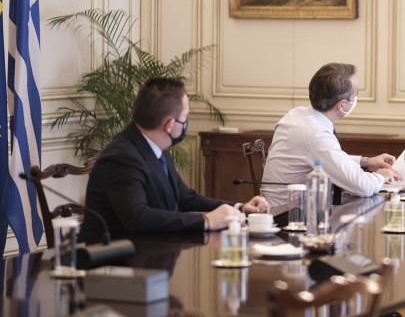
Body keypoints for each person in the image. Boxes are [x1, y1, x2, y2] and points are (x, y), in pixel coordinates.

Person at [82, 78, 269, 242]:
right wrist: (206, 221)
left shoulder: (155, 146)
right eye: (185, 117)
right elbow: (138, 217)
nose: (186, 123)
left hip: (151, 255)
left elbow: (184, 197)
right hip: (115, 268)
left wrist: (239, 208)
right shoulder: (123, 157)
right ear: (170, 125)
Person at [261, 63, 401, 215]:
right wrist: (381, 176)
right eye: (355, 96)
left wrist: (366, 162)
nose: (356, 100)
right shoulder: (316, 134)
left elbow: (326, 158)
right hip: (291, 218)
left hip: (288, 210)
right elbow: (363, 187)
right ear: (342, 105)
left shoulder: (297, 115)